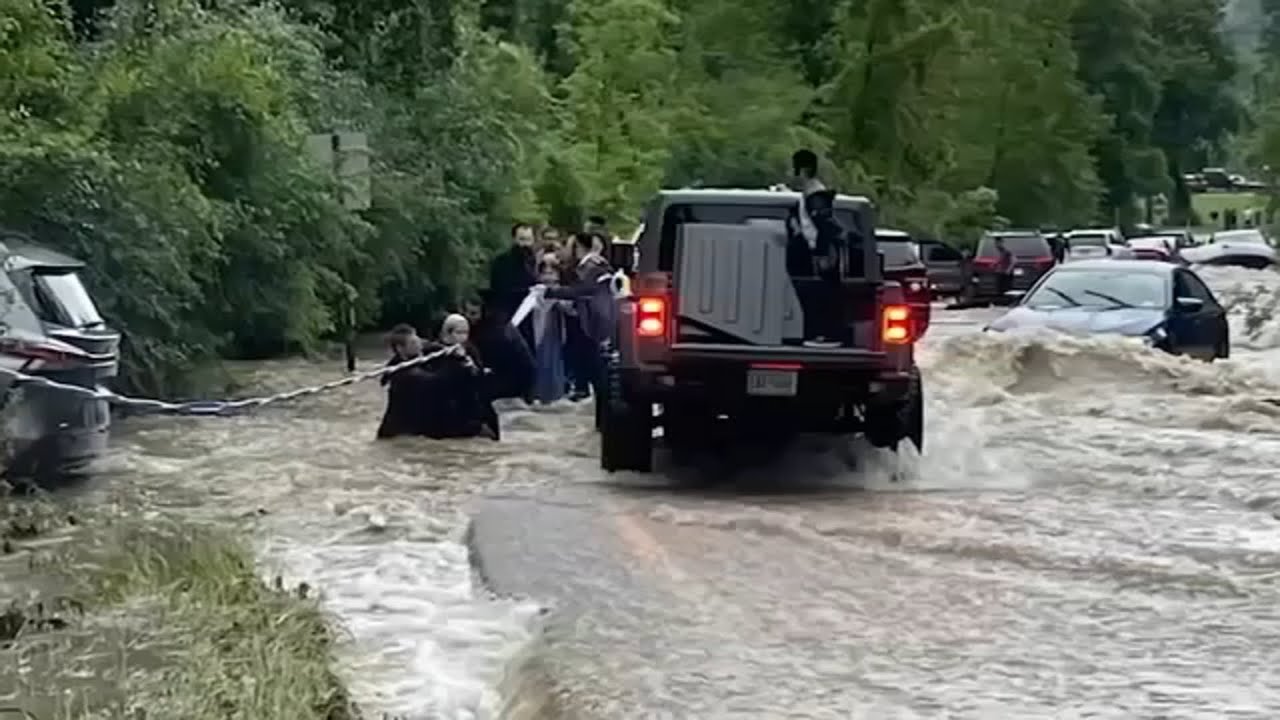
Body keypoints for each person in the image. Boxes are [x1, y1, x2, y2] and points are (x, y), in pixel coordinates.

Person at [535, 231, 615, 425]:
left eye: (571, 246)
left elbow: (582, 291)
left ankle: (605, 420)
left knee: (598, 374)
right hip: (589, 324)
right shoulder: (590, 266)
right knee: (594, 372)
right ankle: (600, 420)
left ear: (579, 246)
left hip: (593, 325)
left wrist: (550, 292)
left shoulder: (592, 266)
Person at [421, 314, 500, 440]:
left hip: (471, 405)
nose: (463, 336)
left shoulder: (470, 350)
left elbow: (477, 373)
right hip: (448, 409)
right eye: (459, 332)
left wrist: (468, 363)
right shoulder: (434, 351)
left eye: (466, 332)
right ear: (447, 332)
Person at [471, 290, 536, 402]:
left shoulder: (495, 331)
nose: (469, 317)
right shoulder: (499, 324)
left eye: (473, 313)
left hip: (510, 379)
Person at [488, 223, 539, 350]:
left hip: (531, 316)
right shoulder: (502, 261)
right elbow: (499, 289)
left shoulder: (534, 261)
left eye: (528, 239)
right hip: (509, 314)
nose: (525, 244)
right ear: (514, 239)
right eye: (522, 239)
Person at [531, 251, 568, 404]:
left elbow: (569, 308)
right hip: (541, 326)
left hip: (556, 327)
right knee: (541, 358)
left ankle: (555, 393)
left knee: (555, 359)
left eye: (551, 271)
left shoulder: (562, 290)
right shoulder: (536, 290)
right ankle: (539, 393)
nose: (548, 276)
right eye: (545, 271)